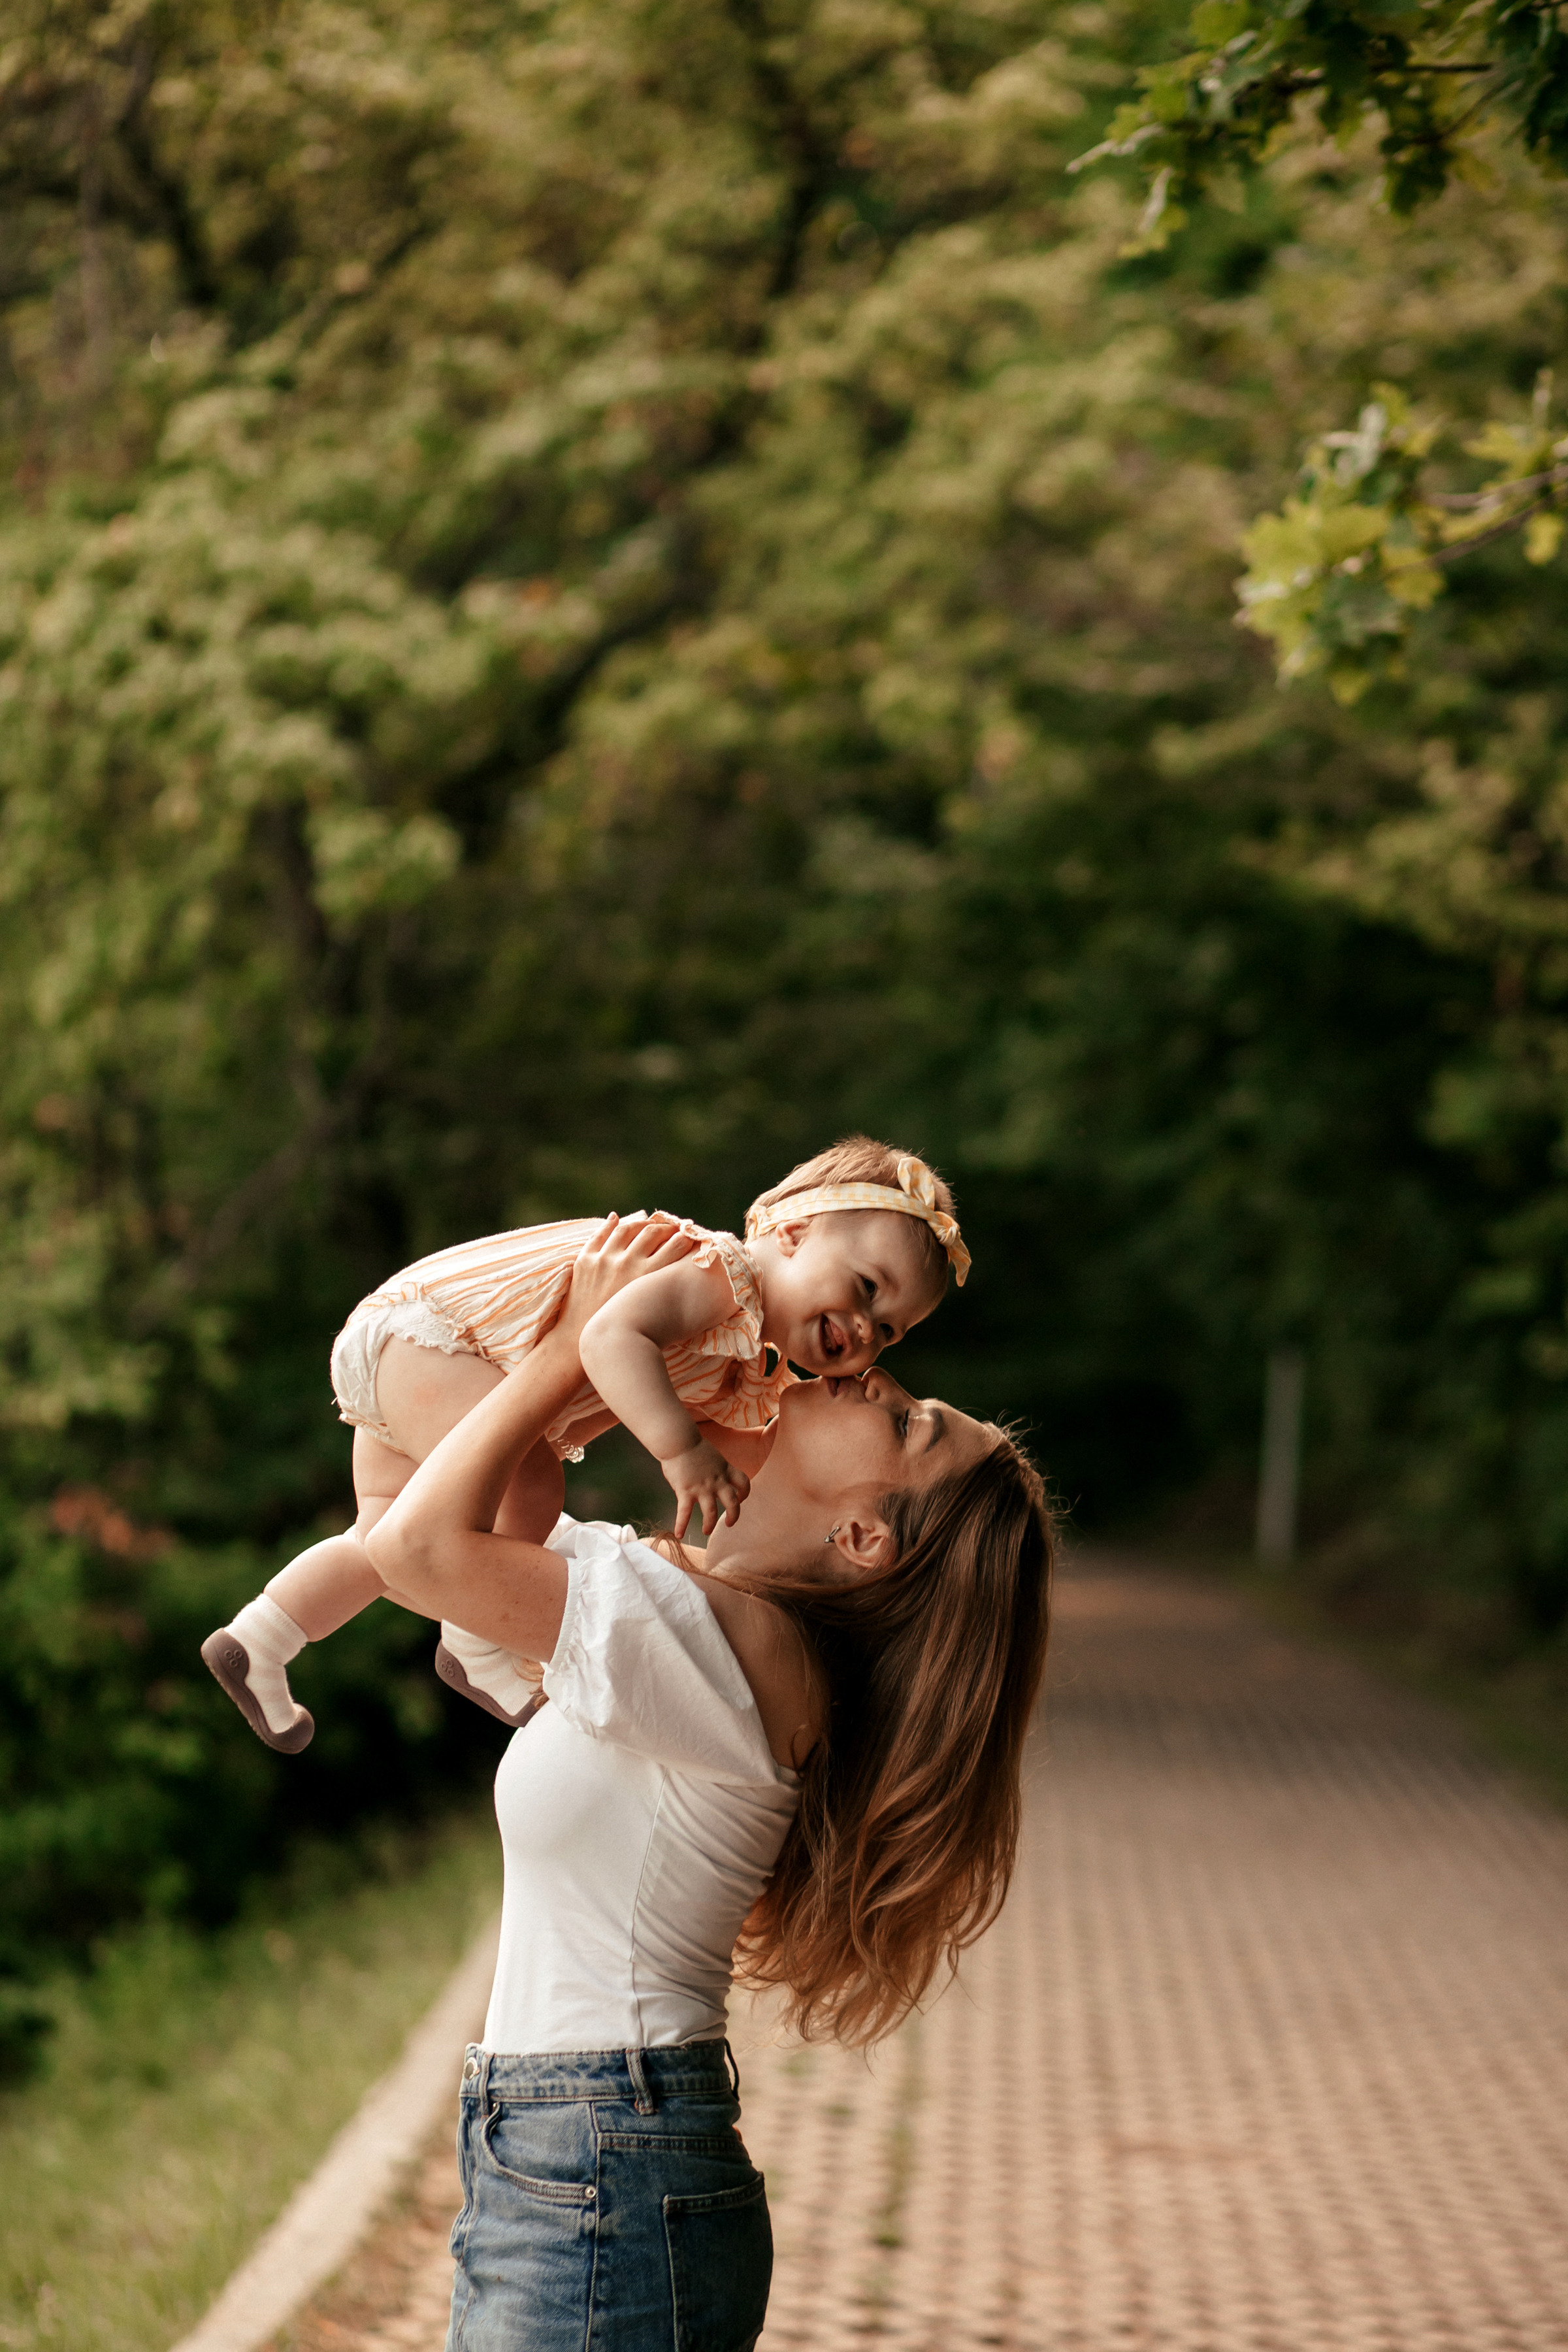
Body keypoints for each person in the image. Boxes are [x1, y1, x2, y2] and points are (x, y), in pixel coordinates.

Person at [363, 1213, 1054, 2352]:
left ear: (869, 1536)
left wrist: (562, 1350)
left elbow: (416, 1554)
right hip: (590, 2152)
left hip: (599, 2158)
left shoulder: (724, 1637)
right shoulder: (714, 1627)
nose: (874, 1372)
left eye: (910, 1419)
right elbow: (442, 1566)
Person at [201, 1137, 970, 1751]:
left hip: (428, 1362)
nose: (869, 1330)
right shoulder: (721, 1275)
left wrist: (741, 1478)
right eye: (867, 1288)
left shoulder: (741, 1357)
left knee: (385, 1535)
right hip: (439, 1340)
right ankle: (474, 1645)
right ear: (794, 1233)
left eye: (892, 1329)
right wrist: (678, 1454)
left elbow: (737, 1440)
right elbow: (609, 1336)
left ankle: (260, 1640)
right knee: (529, 1488)